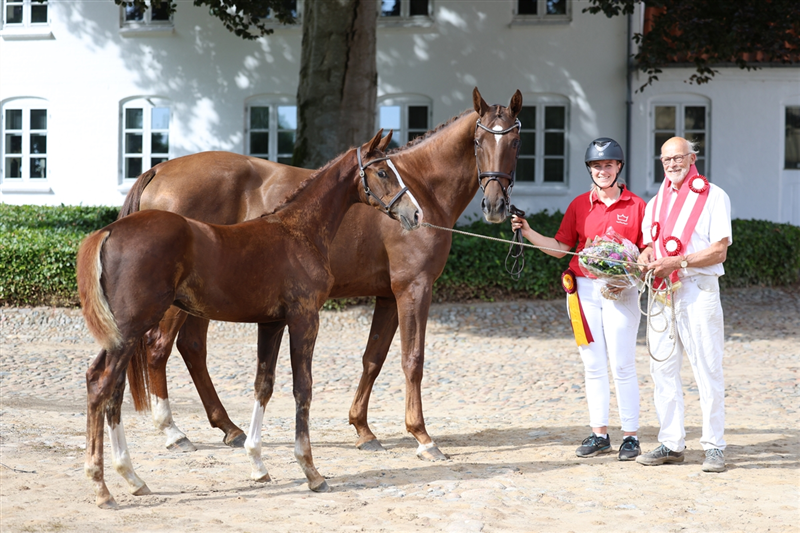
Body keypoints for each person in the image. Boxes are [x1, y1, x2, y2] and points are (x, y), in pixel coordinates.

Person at [511, 138, 646, 461]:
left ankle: (631, 435)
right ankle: (599, 433)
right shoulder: (578, 206)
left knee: (623, 363)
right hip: (583, 291)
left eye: (608, 165)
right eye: (597, 166)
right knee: (593, 364)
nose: (603, 171)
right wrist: (528, 232)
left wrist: (633, 273)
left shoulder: (637, 206)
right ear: (590, 169)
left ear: (619, 168)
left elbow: (646, 250)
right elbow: (561, 248)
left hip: (621, 291)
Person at [636, 136, 732, 473]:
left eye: (678, 158)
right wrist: (646, 256)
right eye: (666, 159)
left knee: (707, 367)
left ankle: (714, 446)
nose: (672, 164)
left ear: (692, 158)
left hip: (698, 288)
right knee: (661, 368)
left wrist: (678, 262)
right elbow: (650, 245)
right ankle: (672, 442)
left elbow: (719, 250)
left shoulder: (714, 196)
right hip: (662, 290)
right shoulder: (654, 202)